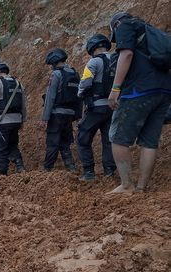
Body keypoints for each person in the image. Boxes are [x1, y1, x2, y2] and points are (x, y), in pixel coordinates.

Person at [107, 13, 171, 193]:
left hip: (139, 89)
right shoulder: (151, 32)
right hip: (164, 90)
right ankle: (141, 187)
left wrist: (116, 88)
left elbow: (126, 54)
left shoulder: (125, 25)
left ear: (115, 25)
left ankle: (127, 185)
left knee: (118, 137)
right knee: (149, 141)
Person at [77, 34, 117, 181]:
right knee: (108, 140)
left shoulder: (93, 62)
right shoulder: (116, 59)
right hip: (112, 107)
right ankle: (109, 171)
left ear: (93, 48)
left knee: (83, 137)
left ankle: (89, 172)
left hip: (96, 107)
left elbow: (86, 83)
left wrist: (80, 93)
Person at [41, 48, 82, 172]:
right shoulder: (75, 73)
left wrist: (45, 117)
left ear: (53, 62)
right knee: (65, 143)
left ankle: (47, 169)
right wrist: (78, 115)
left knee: (53, 142)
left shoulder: (56, 74)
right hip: (70, 114)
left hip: (57, 114)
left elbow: (50, 96)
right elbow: (79, 96)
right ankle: (71, 167)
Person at [0, 62, 27, 175]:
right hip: (17, 120)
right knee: (12, 144)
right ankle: (20, 165)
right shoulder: (18, 83)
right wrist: (23, 120)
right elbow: (23, 104)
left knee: (0, 147)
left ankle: (3, 174)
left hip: (3, 121)